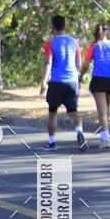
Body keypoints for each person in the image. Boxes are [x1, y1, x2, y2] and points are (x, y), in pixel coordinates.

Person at [40, 15, 86, 151]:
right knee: (73, 111)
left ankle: (52, 142)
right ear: (65, 26)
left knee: (52, 112)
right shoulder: (74, 42)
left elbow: (48, 62)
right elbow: (79, 64)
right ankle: (79, 132)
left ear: (53, 27)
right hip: (72, 81)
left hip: (56, 82)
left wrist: (43, 82)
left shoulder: (51, 43)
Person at [79, 23, 110, 150]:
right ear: (106, 32)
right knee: (106, 111)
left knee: (102, 111)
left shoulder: (93, 46)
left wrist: (80, 77)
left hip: (98, 80)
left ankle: (106, 139)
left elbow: (86, 65)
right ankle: (104, 136)